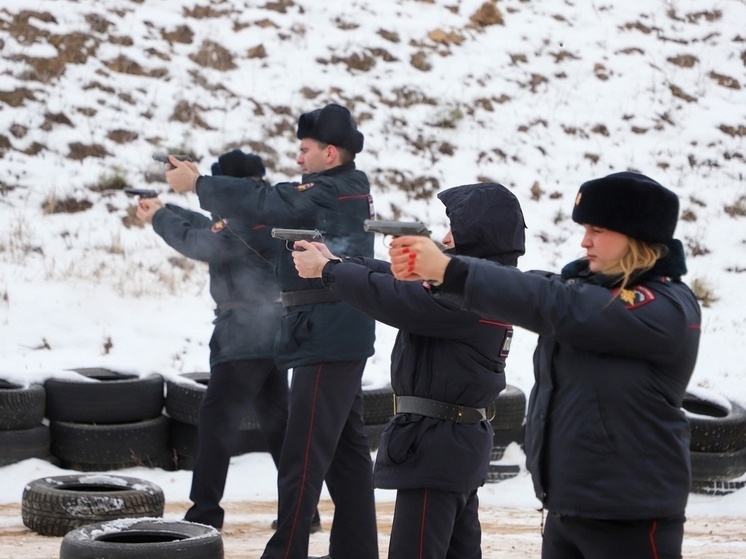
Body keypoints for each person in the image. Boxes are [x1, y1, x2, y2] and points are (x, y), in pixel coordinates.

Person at [388, 171, 702, 559]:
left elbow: (552, 302)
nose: (585, 240)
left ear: (637, 236)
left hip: (632, 518)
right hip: (567, 509)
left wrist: (449, 271)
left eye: (598, 229)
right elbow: (530, 286)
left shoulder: (665, 308)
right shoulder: (588, 292)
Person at [164, 104, 378, 559]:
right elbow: (257, 214)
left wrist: (199, 184)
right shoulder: (340, 188)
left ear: (330, 152)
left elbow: (266, 201)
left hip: (327, 332)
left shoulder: (330, 191)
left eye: (304, 150)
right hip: (331, 330)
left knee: (301, 457)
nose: (298, 159)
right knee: (346, 455)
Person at [291, 182, 526, 558]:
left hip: (437, 445)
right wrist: (337, 262)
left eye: (456, 229)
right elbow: (401, 280)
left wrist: (329, 272)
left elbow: (399, 299)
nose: (447, 237)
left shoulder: (469, 291)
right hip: (451, 442)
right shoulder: (489, 283)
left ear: (478, 233)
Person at [137, 149, 323, 532]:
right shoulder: (264, 213)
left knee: (216, 422)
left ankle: (205, 512)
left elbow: (203, 242)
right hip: (273, 331)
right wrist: (168, 208)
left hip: (244, 337)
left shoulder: (245, 221)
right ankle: (303, 511)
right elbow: (210, 226)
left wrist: (158, 217)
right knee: (279, 425)